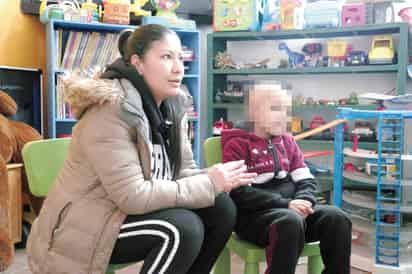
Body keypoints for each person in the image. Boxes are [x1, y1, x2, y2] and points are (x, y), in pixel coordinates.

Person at [26, 24, 257, 274]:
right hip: (84, 225)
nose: (178, 68)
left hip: (123, 213)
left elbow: (181, 173)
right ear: (138, 63)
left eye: (181, 58)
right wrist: (209, 183)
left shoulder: (171, 107)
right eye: (166, 57)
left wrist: (215, 178)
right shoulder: (110, 111)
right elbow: (132, 195)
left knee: (221, 208)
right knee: (182, 229)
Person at [221, 83, 352, 274]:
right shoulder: (237, 145)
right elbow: (239, 193)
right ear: (254, 113)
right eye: (275, 108)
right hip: (255, 220)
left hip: (293, 214)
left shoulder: (287, 142)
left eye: (287, 110)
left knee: (338, 218)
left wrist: (304, 201)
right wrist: (287, 204)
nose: (283, 115)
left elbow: (305, 179)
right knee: (289, 222)